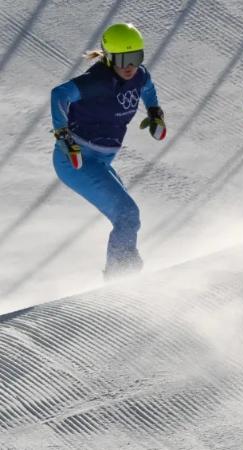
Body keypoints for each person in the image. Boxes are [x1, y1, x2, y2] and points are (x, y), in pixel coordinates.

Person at [51, 23, 167, 280]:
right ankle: (118, 279)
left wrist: (154, 112)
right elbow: (59, 94)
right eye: (122, 59)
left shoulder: (138, 75)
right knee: (127, 214)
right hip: (76, 160)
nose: (129, 65)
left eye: (135, 57)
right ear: (108, 57)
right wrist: (62, 136)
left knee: (129, 218)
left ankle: (125, 270)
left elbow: (147, 86)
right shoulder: (97, 81)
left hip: (101, 161)